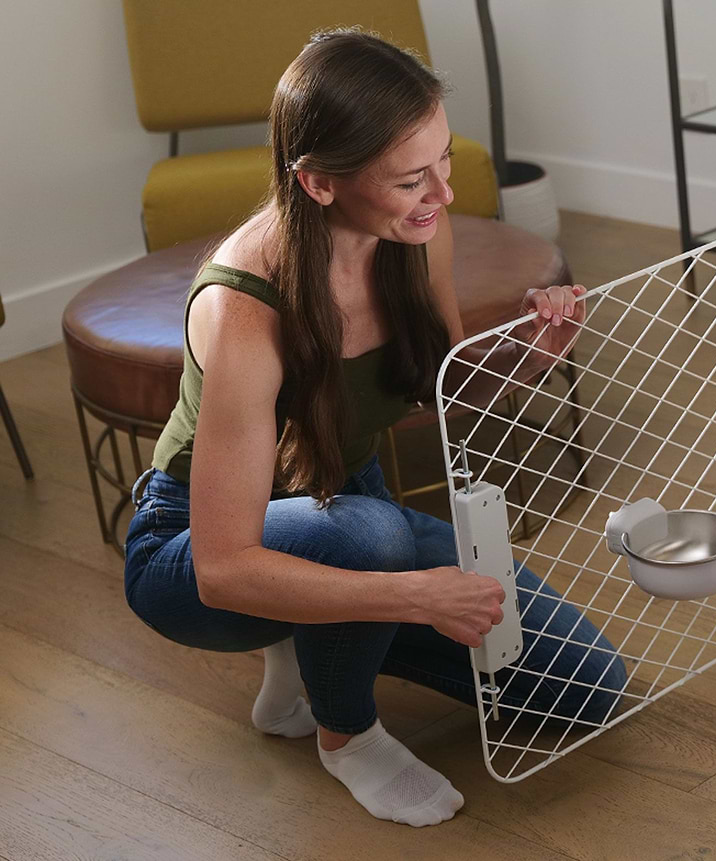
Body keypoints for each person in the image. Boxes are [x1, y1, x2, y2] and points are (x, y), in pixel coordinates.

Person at [122, 30, 627, 828]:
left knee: (588, 685)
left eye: (443, 163)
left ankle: (309, 636)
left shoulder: (413, 236)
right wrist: (413, 594)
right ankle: (346, 734)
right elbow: (222, 566)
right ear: (320, 183)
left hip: (347, 512)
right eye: (409, 178)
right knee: (372, 540)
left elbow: (435, 393)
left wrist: (531, 356)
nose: (442, 193)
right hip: (193, 548)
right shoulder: (244, 308)